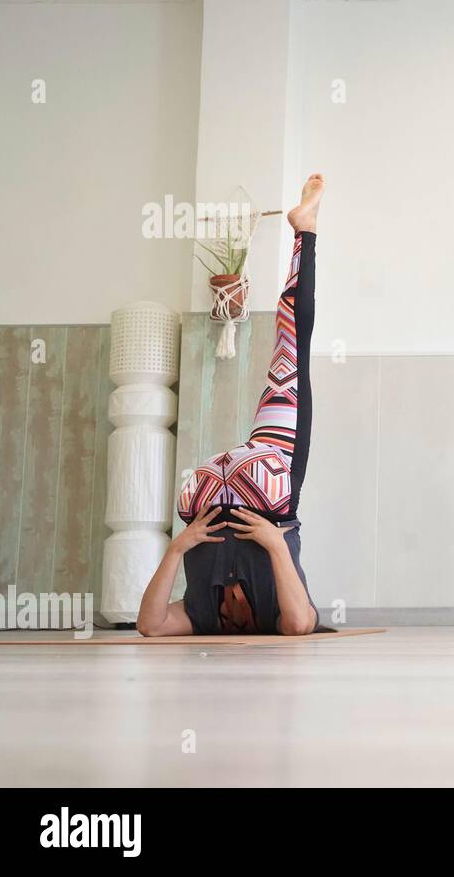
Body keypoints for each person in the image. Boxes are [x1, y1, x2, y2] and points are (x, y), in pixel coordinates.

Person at [137, 174, 325, 637]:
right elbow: (300, 622)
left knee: (293, 347)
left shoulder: (203, 616)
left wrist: (177, 548)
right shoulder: (270, 614)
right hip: (251, 489)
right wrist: (274, 546)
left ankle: (307, 232)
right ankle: (305, 233)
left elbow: (149, 626)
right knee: (290, 348)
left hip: (233, 490)